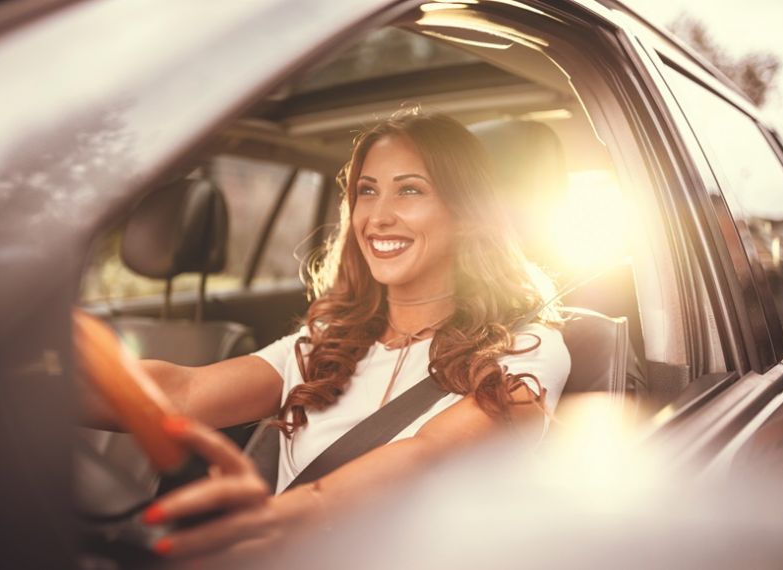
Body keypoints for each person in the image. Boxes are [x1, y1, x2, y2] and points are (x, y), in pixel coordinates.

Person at [84, 109, 571, 558]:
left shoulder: (527, 348)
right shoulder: (326, 341)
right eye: (366, 190)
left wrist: (297, 511)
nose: (377, 216)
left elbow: (431, 453)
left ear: (466, 214)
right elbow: (182, 392)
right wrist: (32, 388)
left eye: (410, 190)